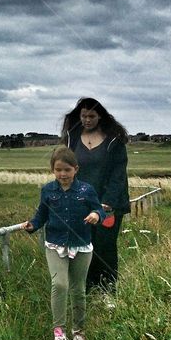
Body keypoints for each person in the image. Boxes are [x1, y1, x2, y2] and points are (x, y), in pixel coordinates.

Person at [22, 146, 105, 340]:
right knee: (59, 285)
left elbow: (99, 210)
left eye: (67, 170)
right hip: (55, 244)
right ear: (52, 170)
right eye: (58, 170)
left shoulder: (87, 190)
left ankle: (78, 332)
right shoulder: (48, 190)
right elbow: (41, 215)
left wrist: (96, 215)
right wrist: (32, 225)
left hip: (81, 246)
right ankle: (59, 335)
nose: (63, 174)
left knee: (78, 289)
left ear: (76, 169)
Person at [60, 97, 130, 303]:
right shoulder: (72, 139)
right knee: (83, 247)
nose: (87, 120)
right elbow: (66, 169)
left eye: (91, 116)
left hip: (108, 206)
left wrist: (107, 202)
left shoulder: (114, 140)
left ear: (100, 116)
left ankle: (108, 292)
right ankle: (88, 289)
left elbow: (119, 175)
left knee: (105, 246)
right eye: (83, 116)